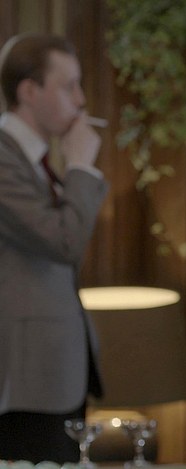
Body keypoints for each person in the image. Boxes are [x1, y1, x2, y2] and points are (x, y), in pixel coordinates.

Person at [0, 33, 108, 463]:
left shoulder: (32, 160)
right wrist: (81, 165)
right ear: (29, 91)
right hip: (24, 379)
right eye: (69, 86)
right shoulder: (3, 158)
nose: (81, 101)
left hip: (55, 372)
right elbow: (64, 241)